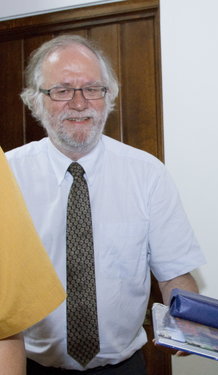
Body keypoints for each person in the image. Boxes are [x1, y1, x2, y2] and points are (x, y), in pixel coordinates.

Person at [6, 35, 206, 374]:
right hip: (29, 365)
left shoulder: (148, 174)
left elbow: (175, 275)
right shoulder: (6, 176)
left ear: (108, 97)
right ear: (36, 101)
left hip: (123, 367)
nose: (80, 103)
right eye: (62, 90)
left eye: (92, 89)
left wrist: (191, 324)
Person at [0, 148, 65, 375]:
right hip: (36, 362)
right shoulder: (11, 164)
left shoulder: (146, 171)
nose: (78, 109)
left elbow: (4, 318)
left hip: (123, 365)